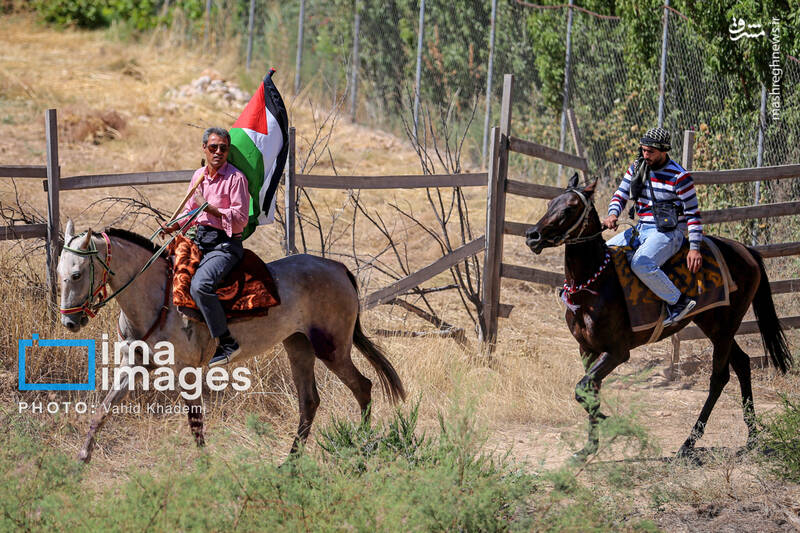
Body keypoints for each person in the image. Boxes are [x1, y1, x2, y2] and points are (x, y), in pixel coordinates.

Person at [162, 127, 249, 366]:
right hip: (200, 240)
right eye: (213, 147)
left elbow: (241, 219)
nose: (218, 152)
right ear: (204, 148)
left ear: (228, 150)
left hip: (225, 245)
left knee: (201, 286)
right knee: (165, 272)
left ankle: (227, 342)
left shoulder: (236, 179)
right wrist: (172, 226)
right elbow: (190, 212)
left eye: (223, 148)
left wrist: (208, 208)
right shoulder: (198, 176)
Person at [602, 127, 703, 326]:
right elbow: (620, 194)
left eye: (651, 151)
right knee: (604, 253)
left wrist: (694, 248)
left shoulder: (680, 177)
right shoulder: (636, 167)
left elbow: (693, 214)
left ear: (664, 151)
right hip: (641, 228)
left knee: (641, 263)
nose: (645, 155)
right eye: (643, 150)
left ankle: (679, 302)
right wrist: (613, 214)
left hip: (669, 233)